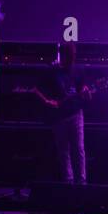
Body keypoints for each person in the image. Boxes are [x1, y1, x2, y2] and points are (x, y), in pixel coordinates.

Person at [31, 42, 88, 185]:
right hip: (59, 116)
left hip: (76, 113)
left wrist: (86, 92)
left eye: (73, 55)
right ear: (62, 55)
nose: (72, 59)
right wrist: (47, 101)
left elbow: (83, 90)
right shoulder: (52, 71)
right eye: (69, 55)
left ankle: (82, 183)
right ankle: (68, 182)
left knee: (78, 149)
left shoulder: (78, 70)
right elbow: (36, 89)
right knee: (64, 151)